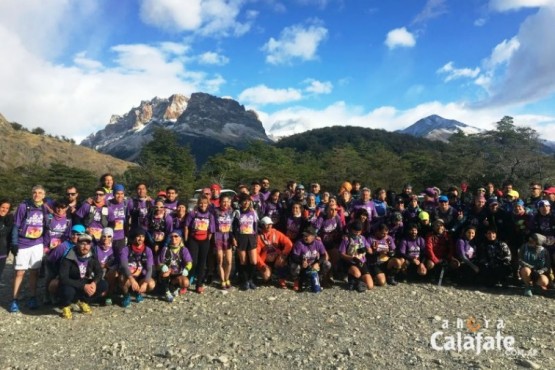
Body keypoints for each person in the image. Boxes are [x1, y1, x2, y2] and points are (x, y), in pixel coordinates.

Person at [10, 185, 49, 313]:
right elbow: (16, 225)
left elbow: (47, 226)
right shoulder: (23, 206)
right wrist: (14, 243)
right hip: (23, 242)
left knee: (34, 272)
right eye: (34, 192)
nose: (37, 195)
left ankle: (32, 297)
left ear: (44, 195)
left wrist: (45, 244)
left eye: (39, 193)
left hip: (37, 243)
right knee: (19, 272)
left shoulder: (44, 207)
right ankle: (14, 299)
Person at [58, 233, 107, 319]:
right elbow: (63, 278)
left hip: (84, 281)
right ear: (77, 244)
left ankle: (83, 301)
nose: (85, 246)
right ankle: (65, 306)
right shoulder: (69, 256)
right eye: (82, 243)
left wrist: (94, 283)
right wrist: (83, 286)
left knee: (103, 284)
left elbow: (99, 272)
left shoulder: (92, 256)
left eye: (87, 244)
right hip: (71, 283)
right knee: (67, 291)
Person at [184, 196, 215, 293]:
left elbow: (211, 230)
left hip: (204, 241)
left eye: (205, 203)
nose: (203, 205)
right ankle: (186, 282)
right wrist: (186, 240)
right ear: (198, 204)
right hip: (193, 240)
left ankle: (199, 284)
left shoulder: (210, 215)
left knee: (202, 263)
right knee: (193, 262)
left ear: (208, 204)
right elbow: (186, 227)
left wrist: (207, 240)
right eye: (201, 203)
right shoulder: (193, 214)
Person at [119, 229, 156, 307]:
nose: (140, 238)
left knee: (151, 284)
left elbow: (150, 268)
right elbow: (124, 266)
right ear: (134, 237)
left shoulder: (148, 250)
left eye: (142, 236)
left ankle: (138, 293)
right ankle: (126, 295)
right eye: (138, 236)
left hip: (141, 276)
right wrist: (132, 279)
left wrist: (145, 283)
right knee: (123, 279)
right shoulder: (126, 249)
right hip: (129, 275)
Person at [290, 226, 331, 292]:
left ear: (313, 236)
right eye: (304, 235)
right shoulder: (299, 243)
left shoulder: (318, 243)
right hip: (303, 264)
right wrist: (301, 262)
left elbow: (323, 255)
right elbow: (294, 256)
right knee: (294, 266)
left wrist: (318, 263)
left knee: (327, 264)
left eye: (307, 236)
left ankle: (321, 279)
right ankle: (296, 281)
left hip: (314, 264)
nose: (305, 237)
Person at [256, 216, 293, 288]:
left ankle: (282, 278)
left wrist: (283, 255)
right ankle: (270, 273)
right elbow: (256, 254)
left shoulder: (276, 233)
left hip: (276, 258)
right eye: (267, 224)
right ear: (262, 225)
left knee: (282, 262)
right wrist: (262, 265)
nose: (269, 226)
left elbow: (289, 244)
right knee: (266, 277)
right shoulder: (259, 237)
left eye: (270, 224)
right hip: (266, 261)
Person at [232, 194, 259, 290]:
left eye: (248, 200)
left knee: (253, 261)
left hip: (251, 238)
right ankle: (245, 281)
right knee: (243, 261)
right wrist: (234, 238)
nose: (246, 202)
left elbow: (256, 226)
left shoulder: (253, 213)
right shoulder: (237, 213)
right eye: (244, 200)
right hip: (241, 238)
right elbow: (234, 228)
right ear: (240, 202)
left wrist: (256, 237)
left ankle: (251, 279)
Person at [157, 230, 192, 302]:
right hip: (168, 273)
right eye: (171, 236)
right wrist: (162, 266)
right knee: (165, 273)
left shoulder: (184, 250)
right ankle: (166, 292)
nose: (173, 238)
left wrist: (187, 269)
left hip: (178, 273)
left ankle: (174, 288)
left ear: (180, 238)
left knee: (186, 282)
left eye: (176, 236)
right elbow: (158, 262)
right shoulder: (165, 249)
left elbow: (189, 262)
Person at [338, 221, 373, 292]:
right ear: (351, 230)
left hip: (361, 261)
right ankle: (353, 280)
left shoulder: (362, 238)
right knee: (357, 273)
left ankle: (358, 281)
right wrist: (352, 258)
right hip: (350, 261)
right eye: (355, 231)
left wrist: (368, 249)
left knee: (370, 286)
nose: (357, 233)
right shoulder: (346, 239)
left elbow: (370, 251)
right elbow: (341, 254)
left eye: (359, 232)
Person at [212, 195, 234, 289]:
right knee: (220, 260)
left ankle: (227, 278)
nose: (226, 204)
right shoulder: (215, 211)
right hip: (218, 237)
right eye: (224, 201)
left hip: (228, 237)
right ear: (220, 202)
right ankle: (222, 280)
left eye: (228, 201)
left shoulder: (231, 211)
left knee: (229, 261)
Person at [107, 184, 128, 252]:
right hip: (108, 237)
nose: (120, 196)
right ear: (113, 194)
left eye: (122, 193)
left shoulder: (126, 203)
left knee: (120, 257)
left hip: (121, 237)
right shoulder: (108, 203)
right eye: (117, 194)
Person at [0, 199, 14, 281]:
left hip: (2, 252)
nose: (4, 210)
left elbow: (10, 235)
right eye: (2, 207)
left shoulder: (10, 220)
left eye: (7, 208)